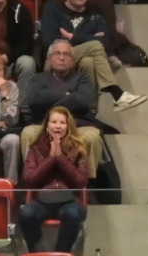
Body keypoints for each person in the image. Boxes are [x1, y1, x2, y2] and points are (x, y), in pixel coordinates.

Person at [40, 0, 147, 111]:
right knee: (94, 45)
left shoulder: (95, 15)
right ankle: (117, 94)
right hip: (56, 58)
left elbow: (105, 43)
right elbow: (49, 41)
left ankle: (89, 109)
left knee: (88, 62)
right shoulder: (53, 8)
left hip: (80, 58)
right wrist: (90, 39)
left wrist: (73, 38)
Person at [24, 38, 103, 178]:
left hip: (78, 125)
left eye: (66, 54)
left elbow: (84, 101)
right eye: (57, 53)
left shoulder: (82, 78)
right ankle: (33, 179)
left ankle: (87, 183)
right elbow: (33, 100)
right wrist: (67, 95)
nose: (61, 58)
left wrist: (49, 100)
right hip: (43, 125)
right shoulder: (38, 78)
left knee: (92, 136)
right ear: (49, 59)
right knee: (28, 133)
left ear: (73, 60)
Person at [19, 105, 88, 255]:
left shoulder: (78, 149)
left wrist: (60, 158)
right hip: (43, 201)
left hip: (70, 202)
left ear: (68, 127)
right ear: (47, 126)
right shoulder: (35, 149)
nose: (58, 126)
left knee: (73, 215)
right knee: (26, 214)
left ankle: (60, 253)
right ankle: (38, 253)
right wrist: (51, 158)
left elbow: (80, 181)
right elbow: (30, 180)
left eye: (62, 123)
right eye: (54, 122)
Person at [0, 0, 36, 119]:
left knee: (27, 62)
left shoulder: (17, 8)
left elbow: (26, 44)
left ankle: (24, 112)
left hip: (8, 63)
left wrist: (5, 57)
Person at [0, 51, 21, 183]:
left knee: (13, 140)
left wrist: (5, 94)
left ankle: (11, 187)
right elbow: (3, 123)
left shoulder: (12, 87)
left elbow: (12, 120)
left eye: (0, 69)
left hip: (4, 134)